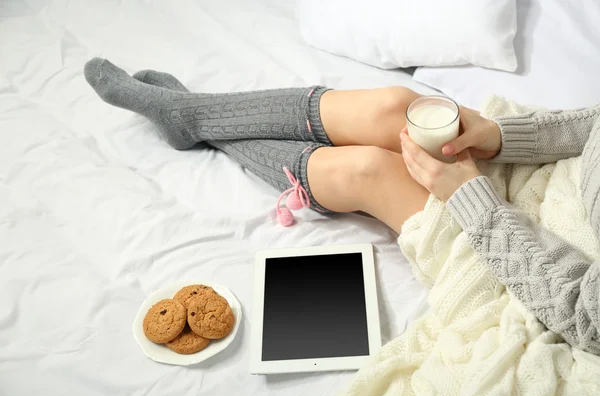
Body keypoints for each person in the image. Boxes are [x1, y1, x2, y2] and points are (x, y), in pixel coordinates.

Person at [83, 57, 600, 356]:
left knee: (369, 169)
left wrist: (470, 197)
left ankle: (193, 120)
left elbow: (584, 316)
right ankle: (193, 117)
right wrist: (503, 136)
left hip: (544, 269)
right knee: (396, 108)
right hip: (562, 168)